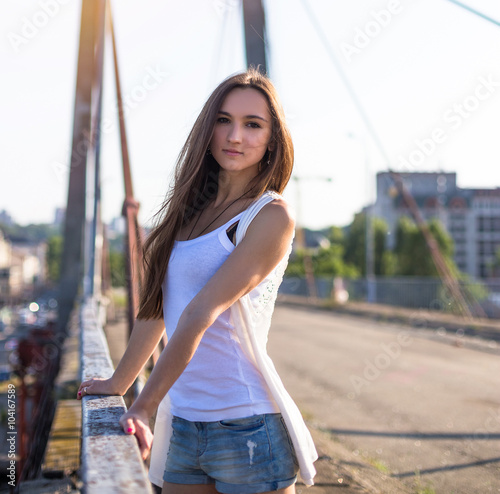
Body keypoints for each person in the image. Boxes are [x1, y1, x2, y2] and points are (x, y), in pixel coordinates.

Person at [77, 67, 317, 494]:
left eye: (253, 125)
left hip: (247, 426)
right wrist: (120, 383)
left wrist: (144, 406)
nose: (235, 136)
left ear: (272, 140)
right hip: (185, 421)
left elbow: (199, 313)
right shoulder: (188, 213)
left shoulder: (269, 216)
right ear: (208, 129)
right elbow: (157, 310)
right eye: (223, 120)